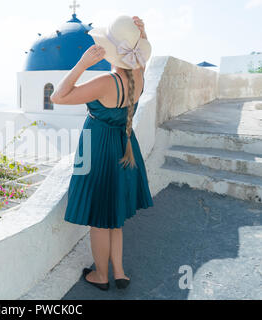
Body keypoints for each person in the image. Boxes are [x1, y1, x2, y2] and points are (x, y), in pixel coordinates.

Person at [50, 16, 154, 291]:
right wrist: (141, 35)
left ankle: (101, 275)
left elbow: (58, 97)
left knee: (100, 220)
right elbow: (140, 59)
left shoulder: (106, 82)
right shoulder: (138, 76)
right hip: (124, 147)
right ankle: (119, 272)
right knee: (115, 218)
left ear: (109, 50)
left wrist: (82, 64)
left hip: (99, 152)